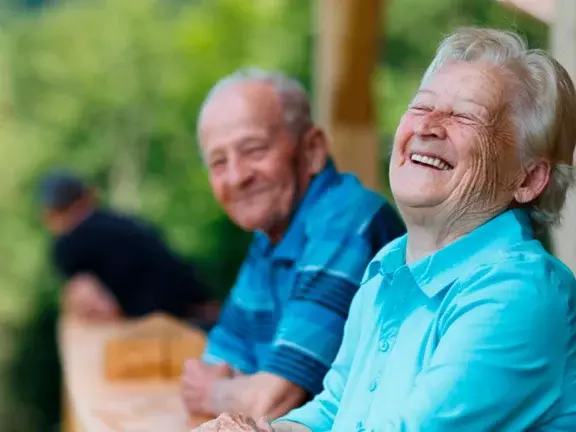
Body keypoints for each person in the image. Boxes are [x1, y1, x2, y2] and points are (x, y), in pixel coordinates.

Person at [195, 27, 576, 431]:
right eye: (421, 107)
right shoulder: (390, 264)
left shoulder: (519, 291)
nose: (428, 127)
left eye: (465, 115)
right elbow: (333, 408)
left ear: (528, 179)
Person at [181, 68, 406, 420]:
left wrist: (219, 393)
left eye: (253, 150)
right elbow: (217, 359)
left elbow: (272, 402)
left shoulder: (346, 221)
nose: (237, 176)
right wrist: (237, 388)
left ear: (313, 149)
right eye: (219, 162)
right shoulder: (270, 235)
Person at [40, 171, 217, 324]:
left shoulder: (68, 244)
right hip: (200, 312)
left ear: (49, 213)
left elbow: (94, 303)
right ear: (89, 195)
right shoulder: (129, 223)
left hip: (151, 329)